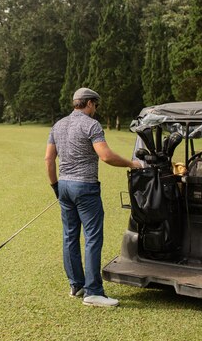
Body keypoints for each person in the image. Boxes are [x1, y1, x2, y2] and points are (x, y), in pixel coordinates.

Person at [45, 87, 141, 307]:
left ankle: (76, 285)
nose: (95, 110)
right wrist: (132, 163)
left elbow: (49, 159)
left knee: (70, 236)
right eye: (95, 105)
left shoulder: (58, 125)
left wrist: (55, 187)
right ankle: (93, 292)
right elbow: (106, 156)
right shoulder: (91, 125)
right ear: (89, 103)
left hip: (65, 186)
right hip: (85, 187)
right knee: (92, 238)